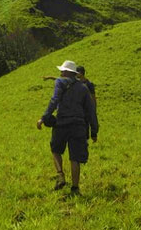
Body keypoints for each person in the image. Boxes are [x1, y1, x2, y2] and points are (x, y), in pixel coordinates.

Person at [37, 60, 98, 195]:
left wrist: (44, 117)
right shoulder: (84, 88)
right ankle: (75, 188)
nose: (60, 72)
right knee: (75, 157)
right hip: (79, 126)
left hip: (62, 123)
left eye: (62, 70)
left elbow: (54, 100)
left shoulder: (60, 82)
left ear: (66, 72)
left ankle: (60, 176)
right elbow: (91, 110)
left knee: (55, 149)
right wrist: (94, 131)